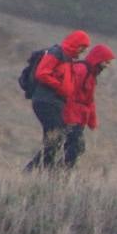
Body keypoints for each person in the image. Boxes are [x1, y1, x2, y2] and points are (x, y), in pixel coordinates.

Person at [25, 29, 90, 171]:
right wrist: (60, 87)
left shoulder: (68, 58)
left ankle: (40, 173)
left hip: (54, 103)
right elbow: (42, 73)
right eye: (82, 47)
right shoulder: (57, 53)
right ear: (75, 44)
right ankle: (31, 172)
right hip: (46, 102)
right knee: (56, 139)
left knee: (54, 141)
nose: (82, 52)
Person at [62, 44, 115, 168]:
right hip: (72, 117)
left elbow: (89, 101)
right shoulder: (82, 70)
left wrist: (92, 122)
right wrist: (69, 118)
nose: (107, 66)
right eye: (106, 62)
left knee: (76, 147)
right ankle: (61, 174)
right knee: (75, 147)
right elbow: (69, 93)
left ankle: (60, 173)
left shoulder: (91, 74)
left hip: (79, 118)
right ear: (99, 59)